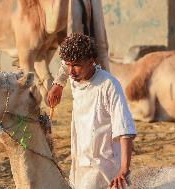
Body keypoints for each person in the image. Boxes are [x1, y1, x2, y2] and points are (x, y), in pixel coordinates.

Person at [47, 33, 136, 189]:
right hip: (78, 161)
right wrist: (58, 84)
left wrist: (124, 169)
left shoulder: (109, 85)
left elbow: (125, 129)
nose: (71, 71)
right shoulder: (74, 76)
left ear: (91, 60)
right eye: (68, 65)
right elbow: (64, 66)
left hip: (103, 167)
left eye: (76, 65)